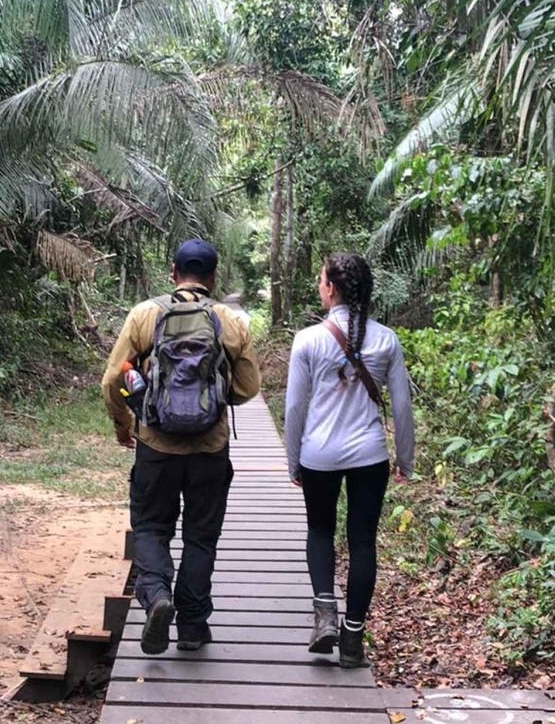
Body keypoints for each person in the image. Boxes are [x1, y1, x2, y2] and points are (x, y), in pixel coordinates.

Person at [102, 239, 262, 655]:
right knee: (200, 537)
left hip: (156, 445)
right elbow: (248, 388)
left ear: (173, 273)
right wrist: (211, 400)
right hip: (210, 448)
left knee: (152, 527)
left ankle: (157, 596)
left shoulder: (145, 314)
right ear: (213, 277)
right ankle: (192, 626)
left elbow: (112, 380)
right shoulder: (228, 320)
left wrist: (124, 424)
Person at [284, 252, 414, 668]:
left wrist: (293, 460)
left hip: (319, 453)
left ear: (331, 288)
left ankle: (325, 616)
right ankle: (353, 638)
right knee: (362, 541)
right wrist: (405, 459)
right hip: (369, 455)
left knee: (320, 531)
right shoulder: (386, 339)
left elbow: (294, 407)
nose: (319, 286)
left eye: (321, 280)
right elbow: (402, 406)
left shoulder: (308, 339)